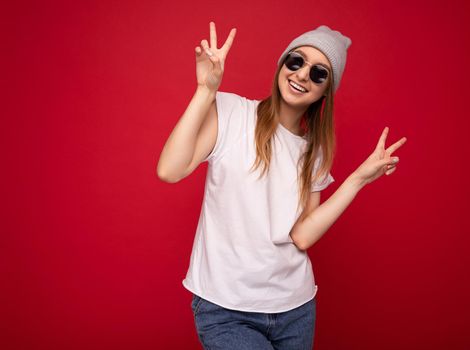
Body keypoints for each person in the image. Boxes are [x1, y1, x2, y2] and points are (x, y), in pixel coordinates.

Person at [157, 22, 407, 350]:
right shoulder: (233, 113)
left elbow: (302, 235)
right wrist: (205, 91)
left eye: (319, 74)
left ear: (325, 92)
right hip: (227, 309)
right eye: (296, 61)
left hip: (296, 308)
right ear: (282, 64)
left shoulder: (314, 150)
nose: (303, 75)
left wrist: (356, 180)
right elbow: (169, 170)